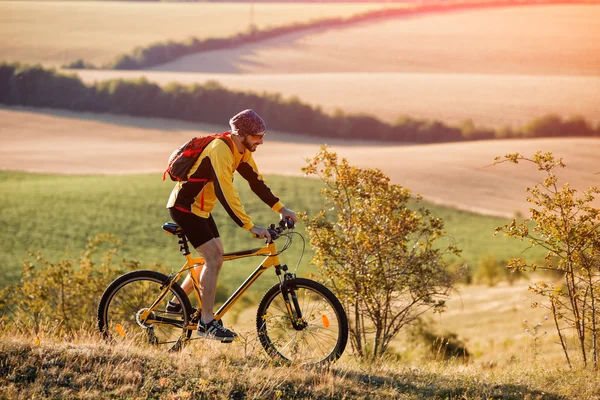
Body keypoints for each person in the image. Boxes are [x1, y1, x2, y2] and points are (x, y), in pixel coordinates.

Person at [165, 109, 297, 342]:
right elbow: (225, 192)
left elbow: (256, 182)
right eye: (257, 136)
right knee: (214, 258)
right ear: (243, 133)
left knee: (214, 257)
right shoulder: (220, 150)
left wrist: (281, 208)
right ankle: (206, 322)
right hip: (184, 207)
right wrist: (249, 226)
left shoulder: (241, 151)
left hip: (201, 210)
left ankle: (176, 303)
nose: (261, 141)